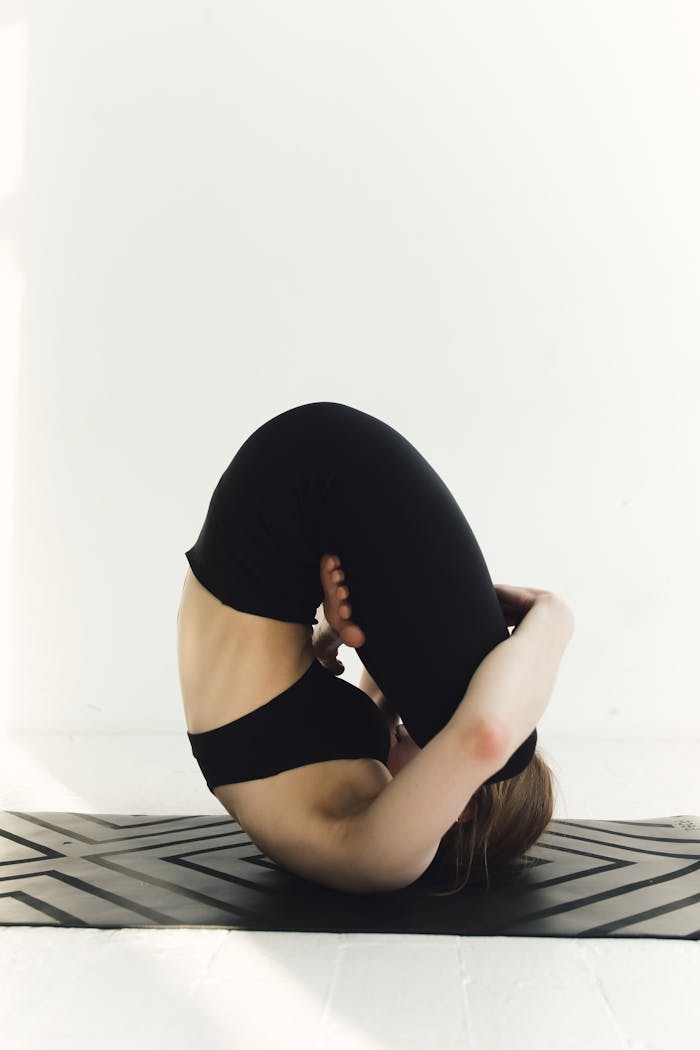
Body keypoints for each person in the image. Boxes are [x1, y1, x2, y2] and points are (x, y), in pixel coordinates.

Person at [178, 402, 574, 895]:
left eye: (412, 733)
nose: (402, 726)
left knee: (514, 749)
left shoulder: (387, 859)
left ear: (462, 804)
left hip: (291, 495)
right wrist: (332, 633)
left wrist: (555, 620)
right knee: (446, 704)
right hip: (278, 531)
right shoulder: (353, 787)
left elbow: (488, 735)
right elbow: (383, 694)